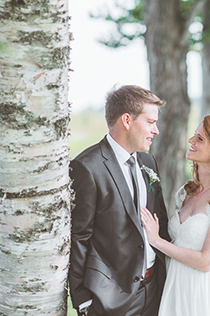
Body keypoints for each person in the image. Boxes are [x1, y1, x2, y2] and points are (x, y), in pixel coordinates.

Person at [69, 85, 169, 316]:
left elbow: (159, 220)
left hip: (154, 289)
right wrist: (82, 298)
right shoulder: (87, 167)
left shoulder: (148, 162)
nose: (157, 130)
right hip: (110, 298)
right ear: (127, 120)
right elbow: (79, 236)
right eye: (151, 122)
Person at [141, 114, 210, 316]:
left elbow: (206, 261)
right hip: (174, 285)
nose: (191, 141)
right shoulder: (187, 191)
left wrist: (157, 241)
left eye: (200, 139)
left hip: (202, 292)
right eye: (194, 135)